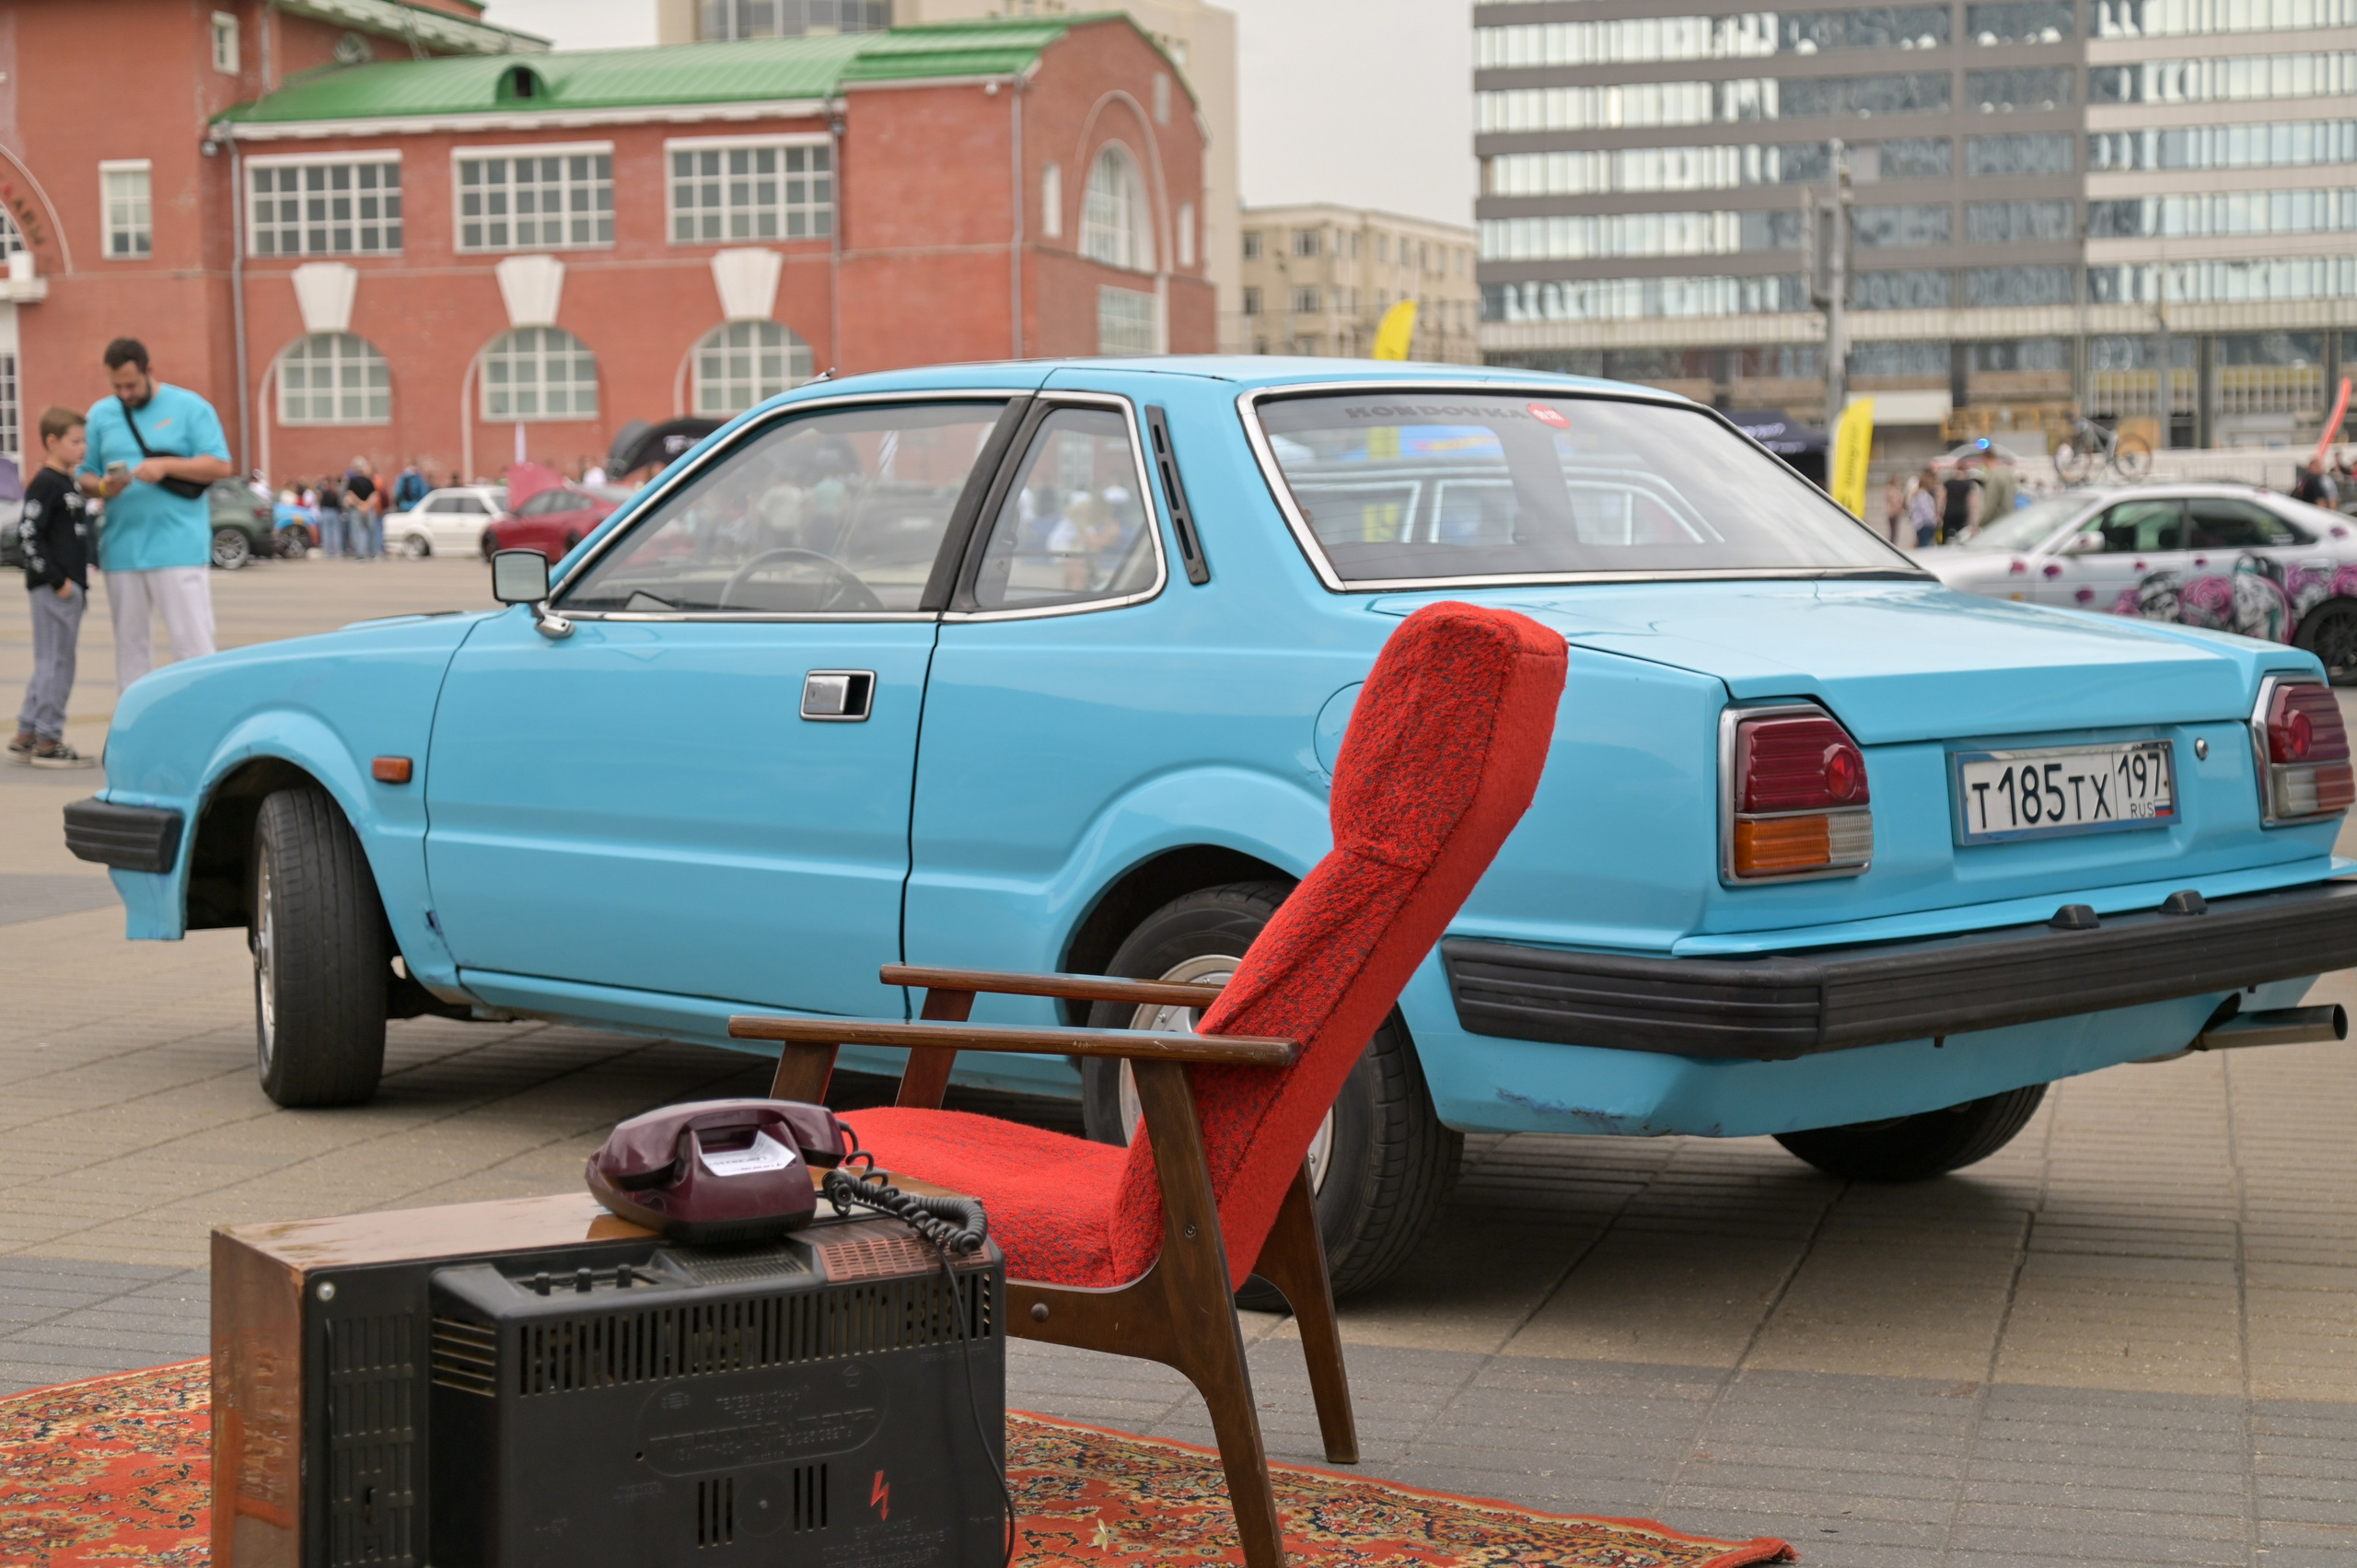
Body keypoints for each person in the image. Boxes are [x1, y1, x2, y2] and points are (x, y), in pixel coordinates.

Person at [78, 338, 231, 691]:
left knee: (193, 646)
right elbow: (83, 474)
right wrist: (102, 487)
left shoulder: (191, 407)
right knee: (131, 651)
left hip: (178, 548)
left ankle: (202, 725)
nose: (125, 394)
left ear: (149, 370)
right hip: (122, 550)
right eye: (116, 386)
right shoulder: (101, 414)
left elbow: (220, 465)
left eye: (131, 385)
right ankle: (135, 735)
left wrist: (165, 466)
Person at [11, 408, 97, 767]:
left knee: (52, 661)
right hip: (54, 589)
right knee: (57, 664)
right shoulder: (46, 482)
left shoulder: (67, 482)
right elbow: (28, 535)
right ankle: (49, 740)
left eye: (84, 441)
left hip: (70, 586)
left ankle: (27, 733)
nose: (82, 448)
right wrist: (58, 581)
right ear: (52, 442)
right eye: (75, 441)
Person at [345, 459, 380, 559]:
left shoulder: (352, 481)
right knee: (371, 531)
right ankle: (373, 553)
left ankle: (360, 554)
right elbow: (374, 495)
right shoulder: (369, 481)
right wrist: (367, 505)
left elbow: (350, 495)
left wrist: (360, 505)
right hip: (368, 510)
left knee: (357, 532)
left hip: (356, 510)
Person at [1940, 459, 1978, 544]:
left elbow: (1941, 498)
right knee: (1961, 537)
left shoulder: (1949, 483)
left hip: (1949, 512)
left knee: (1946, 536)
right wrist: (1972, 520)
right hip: (1962, 513)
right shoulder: (1968, 484)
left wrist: (1939, 512)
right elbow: (1972, 503)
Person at [1909, 466, 1941, 548]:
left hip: (1923, 526)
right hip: (1925, 526)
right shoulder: (1922, 494)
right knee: (1924, 549)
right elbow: (1926, 512)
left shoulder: (1922, 494)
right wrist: (1935, 521)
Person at [316, 472, 344, 556]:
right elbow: (339, 504)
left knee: (326, 533)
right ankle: (336, 551)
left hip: (326, 512)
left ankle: (328, 552)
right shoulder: (335, 492)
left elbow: (321, 503)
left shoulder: (324, 492)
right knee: (335, 533)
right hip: (334, 513)